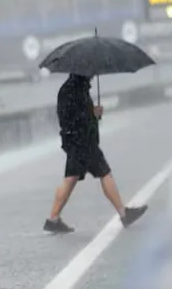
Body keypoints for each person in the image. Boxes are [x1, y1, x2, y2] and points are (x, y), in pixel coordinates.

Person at [43, 73, 147, 234]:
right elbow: (71, 118)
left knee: (71, 178)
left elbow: (77, 115)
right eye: (89, 72)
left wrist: (92, 113)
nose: (92, 75)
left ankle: (53, 220)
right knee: (104, 172)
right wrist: (93, 114)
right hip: (82, 142)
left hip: (77, 141)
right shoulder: (72, 90)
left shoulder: (76, 87)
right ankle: (124, 214)